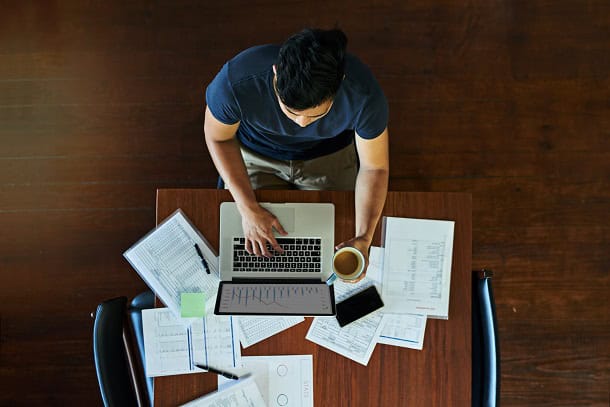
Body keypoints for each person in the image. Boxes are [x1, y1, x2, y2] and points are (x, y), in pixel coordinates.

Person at [204, 28, 388, 279]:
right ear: (276, 74)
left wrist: (365, 237)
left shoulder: (364, 96)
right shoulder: (235, 82)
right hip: (257, 154)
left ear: (340, 82)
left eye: (315, 114)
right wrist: (247, 209)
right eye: (290, 111)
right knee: (246, 249)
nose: (301, 124)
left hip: (328, 156)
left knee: (333, 241)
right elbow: (218, 137)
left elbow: (374, 167)